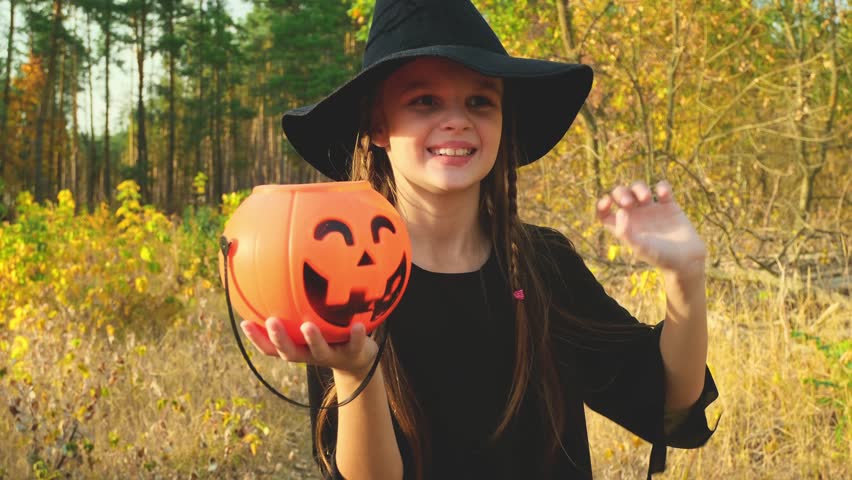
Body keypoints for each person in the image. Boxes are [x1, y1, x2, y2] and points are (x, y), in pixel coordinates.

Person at [240, 1, 718, 479]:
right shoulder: (342, 278)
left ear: (502, 119)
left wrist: (684, 277)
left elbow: (669, 402)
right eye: (424, 100)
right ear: (379, 125)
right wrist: (355, 371)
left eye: (480, 101)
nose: (458, 120)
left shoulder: (544, 266)